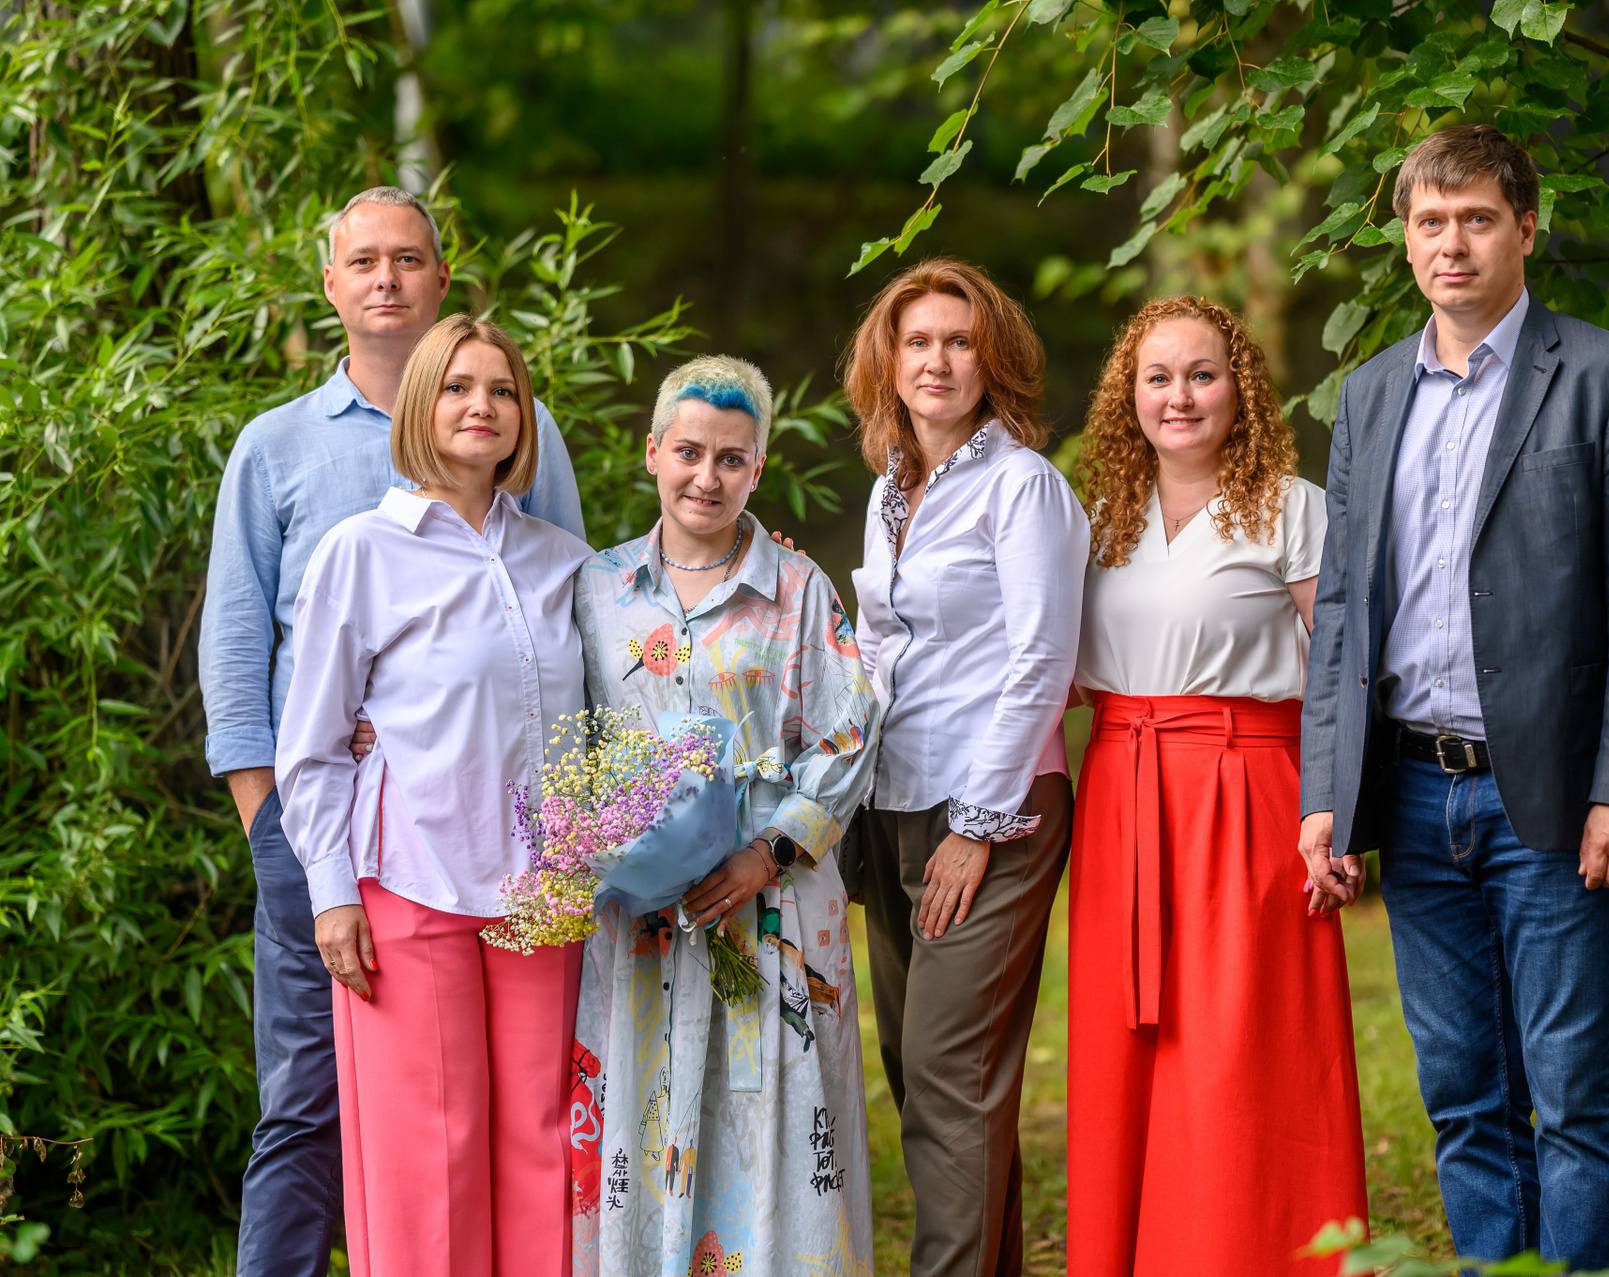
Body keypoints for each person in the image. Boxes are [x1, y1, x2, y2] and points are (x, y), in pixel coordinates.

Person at [1299, 124, 1609, 1274]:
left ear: (1527, 227)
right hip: (1414, 796)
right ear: (1404, 240)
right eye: (1431, 222)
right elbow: (1343, 614)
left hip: (1556, 799)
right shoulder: (1370, 394)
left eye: (1477, 218)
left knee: (1575, 1102)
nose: (1452, 243)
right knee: (1464, 1097)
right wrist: (1328, 793)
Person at [198, 186, 583, 1277]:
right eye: (363, 260)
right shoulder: (292, 465)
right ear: (330, 283)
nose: (385, 277)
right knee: (324, 1108)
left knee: (534, 1124)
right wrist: (285, 837)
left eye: (407, 258)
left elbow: (595, 643)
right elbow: (244, 656)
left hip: (531, 869)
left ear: (440, 277)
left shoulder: (547, 533)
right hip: (357, 843)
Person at [275, 315, 593, 1274]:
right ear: (421, 405)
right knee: (428, 1151)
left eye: (501, 390)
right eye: (457, 386)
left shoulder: (563, 561)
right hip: (409, 883)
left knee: (545, 1140)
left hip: (544, 892)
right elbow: (312, 742)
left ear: (524, 416)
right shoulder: (360, 552)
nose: (480, 405)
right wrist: (331, 892)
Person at [1067, 296, 1368, 1273]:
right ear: (1129, 394)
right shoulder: (1100, 518)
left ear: (1240, 388)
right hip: (1121, 793)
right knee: (1124, 1051)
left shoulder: (1291, 506)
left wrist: (1338, 811)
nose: (1181, 396)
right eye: (1158, 377)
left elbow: (1344, 669)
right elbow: (1047, 667)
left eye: (1203, 374)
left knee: (1240, 1049)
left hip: (1249, 792)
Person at [568, 356, 879, 1276]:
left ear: (759, 466)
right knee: (648, 1109)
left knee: (774, 1120)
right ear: (652, 452)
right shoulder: (597, 589)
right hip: (644, 916)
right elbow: (563, 724)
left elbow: (851, 731)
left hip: (770, 902)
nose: (707, 477)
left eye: (731, 459)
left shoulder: (799, 587)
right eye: (689, 452)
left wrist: (767, 851)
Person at [845, 258, 1089, 1277]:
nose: (937, 361)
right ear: (889, 363)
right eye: (918, 342)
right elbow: (875, 646)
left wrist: (976, 826)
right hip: (892, 801)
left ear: (995, 362)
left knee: (950, 1073)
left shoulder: (1023, 486)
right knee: (923, 1071)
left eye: (959, 341)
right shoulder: (889, 491)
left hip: (992, 808)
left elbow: (1043, 659)